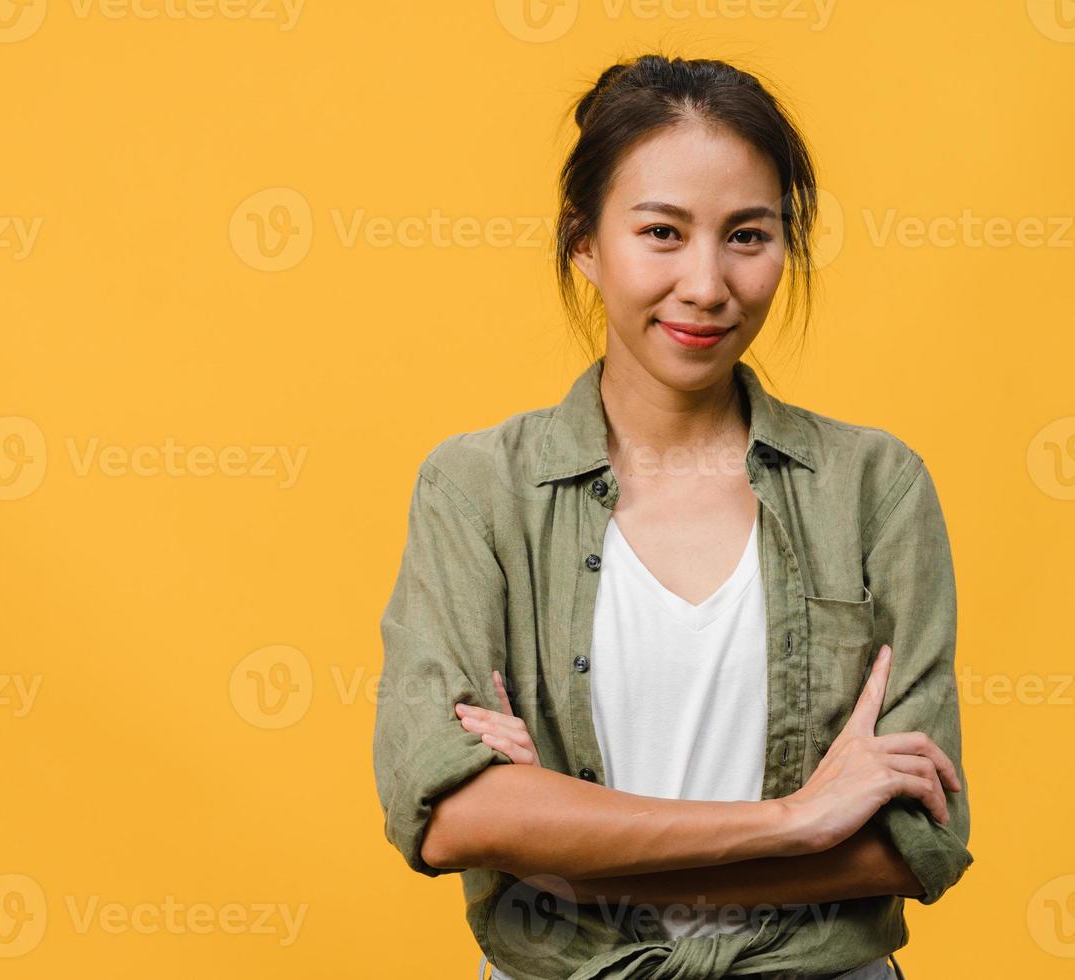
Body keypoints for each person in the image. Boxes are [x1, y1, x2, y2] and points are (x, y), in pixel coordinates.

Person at [372, 54, 972, 980]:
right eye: (661, 231)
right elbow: (448, 817)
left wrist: (560, 848)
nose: (706, 283)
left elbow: (916, 842)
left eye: (747, 235)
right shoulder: (477, 489)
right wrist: (795, 820)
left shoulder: (875, 487)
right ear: (584, 242)